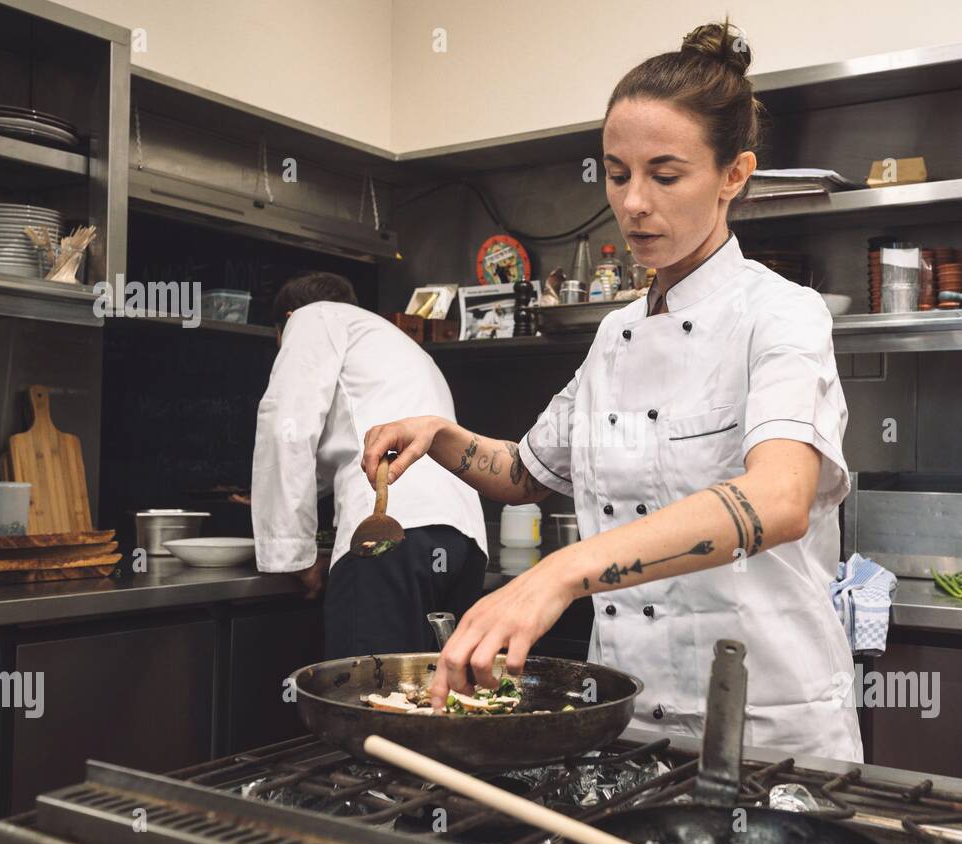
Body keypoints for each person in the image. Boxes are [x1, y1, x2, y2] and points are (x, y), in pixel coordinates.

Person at [361, 21, 862, 761]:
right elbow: (528, 473)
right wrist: (441, 436)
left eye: (665, 175)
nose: (631, 203)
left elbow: (779, 500)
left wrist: (563, 572)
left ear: (734, 174)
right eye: (617, 173)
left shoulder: (780, 314)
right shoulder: (614, 336)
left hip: (764, 728)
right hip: (627, 723)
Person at [251, 272, 488, 658]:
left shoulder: (311, 319)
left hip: (388, 539)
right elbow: (349, 443)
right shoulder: (395, 344)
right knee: (437, 703)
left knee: (367, 702)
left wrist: (294, 557)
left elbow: (287, 430)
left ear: (288, 319)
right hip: (463, 541)